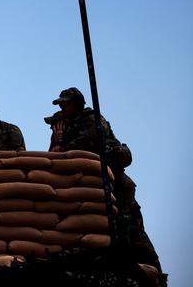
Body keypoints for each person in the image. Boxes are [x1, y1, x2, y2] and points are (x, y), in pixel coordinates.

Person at [46, 87, 162, 273]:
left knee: (130, 230)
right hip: (100, 184)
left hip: (117, 184)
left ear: (75, 104)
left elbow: (79, 149)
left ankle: (152, 271)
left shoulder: (91, 120)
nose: (62, 109)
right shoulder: (74, 124)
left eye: (65, 104)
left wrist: (60, 140)